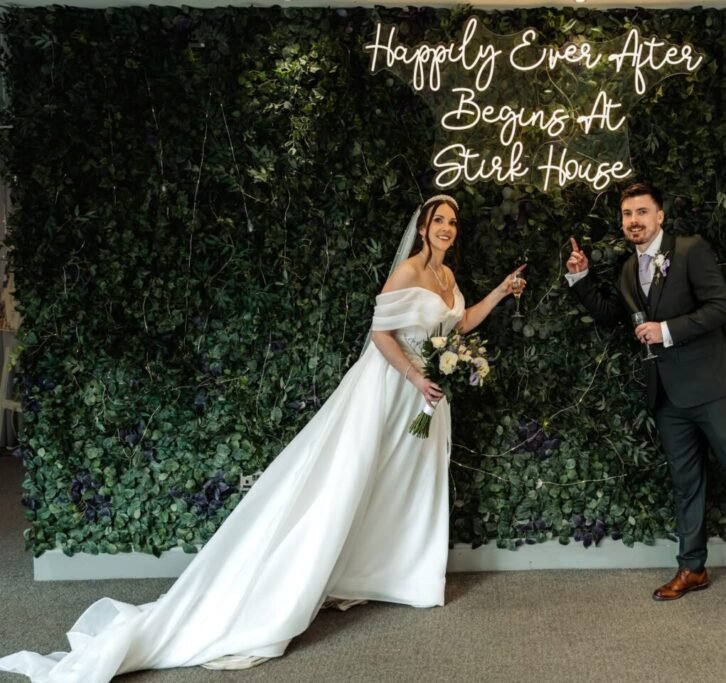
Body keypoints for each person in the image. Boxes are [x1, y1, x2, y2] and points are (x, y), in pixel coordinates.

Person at [0, 194, 526, 681]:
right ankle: (311, 575)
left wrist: (500, 292)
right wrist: (414, 376)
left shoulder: (447, 277)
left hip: (426, 399)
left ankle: (394, 573)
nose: (447, 229)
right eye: (439, 220)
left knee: (404, 486)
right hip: (391, 390)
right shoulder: (409, 271)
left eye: (453, 223)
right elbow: (380, 333)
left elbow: (457, 328)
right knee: (349, 481)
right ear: (424, 227)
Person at [564, 181, 726, 600]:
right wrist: (580, 278)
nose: (633, 221)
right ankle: (692, 568)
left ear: (659, 216)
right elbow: (610, 315)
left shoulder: (689, 250)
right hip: (666, 396)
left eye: (642, 212)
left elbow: (721, 307)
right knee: (686, 482)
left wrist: (666, 331)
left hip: (711, 385)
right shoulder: (627, 269)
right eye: (627, 215)